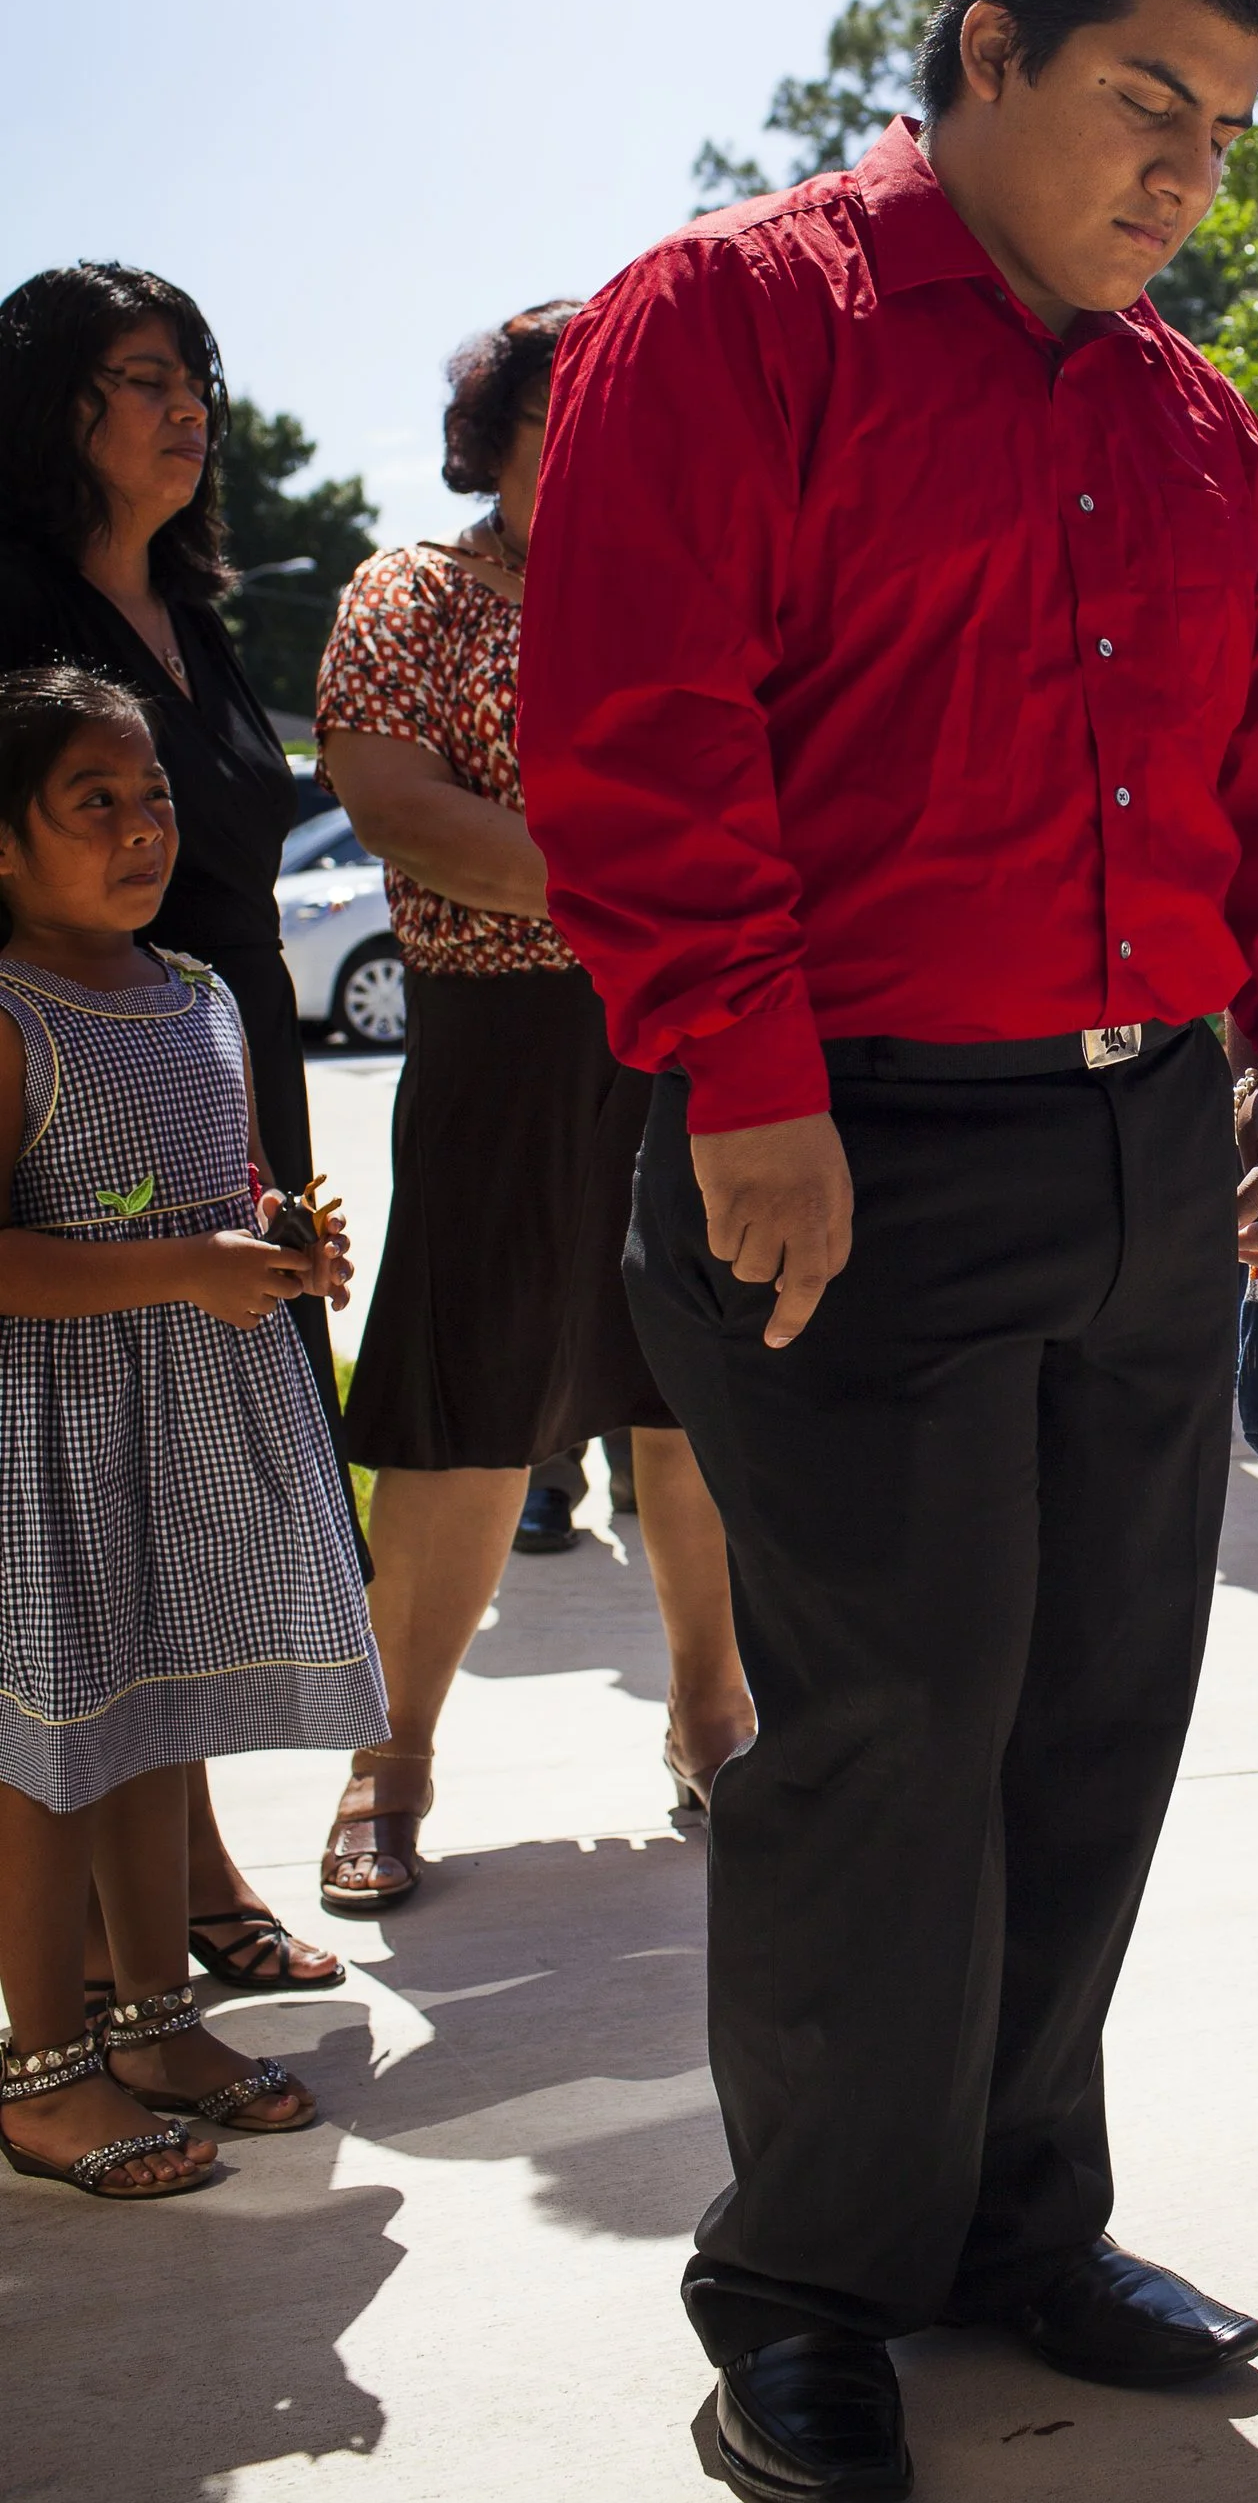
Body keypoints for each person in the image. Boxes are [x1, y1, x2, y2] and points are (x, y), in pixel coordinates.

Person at [520, 0, 1258, 2503]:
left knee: (1094, 1710)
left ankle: (1026, 2212)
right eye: (1148, 100)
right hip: (851, 1140)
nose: (1184, 174)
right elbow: (641, 723)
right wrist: (746, 1068)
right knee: (892, 1729)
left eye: (1224, 131)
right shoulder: (734, 317)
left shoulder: (1184, 410)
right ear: (984, 44)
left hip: (1141, 1144)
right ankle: (800, 2278)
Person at [312, 308, 753, 1909]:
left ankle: (715, 1722)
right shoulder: (413, 593)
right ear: (493, 429)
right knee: (465, 1410)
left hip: (689, 1031)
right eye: (574, 407)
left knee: (693, 1392)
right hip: (499, 1036)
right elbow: (394, 800)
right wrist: (637, 881)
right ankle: (395, 1758)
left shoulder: (697, 591)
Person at [0, 262, 349, 2000]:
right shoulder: (10, 605)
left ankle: (186, 1888)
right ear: (59, 406)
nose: (188, 405)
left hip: (214, 1059)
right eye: (146, 377)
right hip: (66, 1089)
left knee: (188, 1504)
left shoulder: (195, 620)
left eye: (196, 374)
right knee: (91, 1517)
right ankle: (106, 1951)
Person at [0, 667, 379, 2196]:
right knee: (49, 1756)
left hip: (185, 1430)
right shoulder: (12, 1012)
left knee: (157, 1721)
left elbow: (218, 1189)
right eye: (94, 802)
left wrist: (286, 1240)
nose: (143, 825)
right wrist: (180, 1268)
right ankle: (41, 2063)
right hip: (55, 1447)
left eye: (152, 795)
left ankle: (156, 2018)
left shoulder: (206, 994)